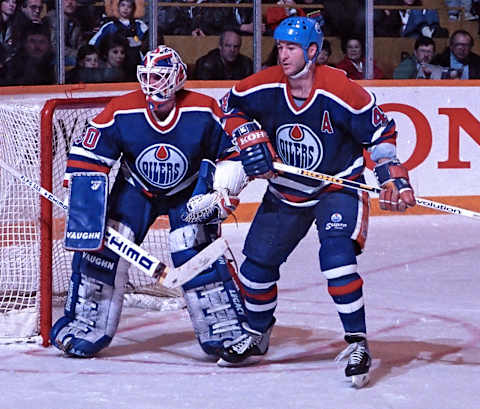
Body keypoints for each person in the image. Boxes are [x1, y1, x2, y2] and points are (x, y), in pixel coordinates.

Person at [215, 17, 416, 388]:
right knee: (256, 265)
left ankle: (358, 343)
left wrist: (393, 177)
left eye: (291, 48)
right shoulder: (264, 84)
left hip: (337, 187)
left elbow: (381, 135)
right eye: (279, 47)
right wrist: (247, 134)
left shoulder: (342, 90)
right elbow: (229, 106)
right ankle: (257, 334)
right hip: (286, 189)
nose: (283, 54)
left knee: (336, 257)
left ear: (312, 51)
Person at [50, 45, 252, 361]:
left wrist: (223, 188)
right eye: (147, 76)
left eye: (159, 76)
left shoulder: (202, 109)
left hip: (187, 192)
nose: (152, 83)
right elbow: (89, 155)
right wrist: (84, 201)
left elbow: (231, 151)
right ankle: (83, 324)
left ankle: (226, 329)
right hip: (135, 190)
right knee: (104, 249)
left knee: (194, 249)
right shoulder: (122, 110)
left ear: (177, 78)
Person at [89, 0, 148, 80]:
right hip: (115, 63)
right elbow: (92, 43)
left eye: (129, 6)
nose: (125, 9)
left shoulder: (139, 24)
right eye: (123, 5)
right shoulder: (109, 25)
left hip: (136, 62)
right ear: (118, 8)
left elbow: (147, 41)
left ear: (133, 9)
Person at [46, 0, 85, 69]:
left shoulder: (75, 22)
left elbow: (80, 43)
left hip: (69, 56)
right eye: (66, 0)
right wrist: (78, 54)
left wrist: (86, 53)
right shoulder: (53, 19)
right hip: (52, 58)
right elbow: (55, 47)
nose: (70, 2)